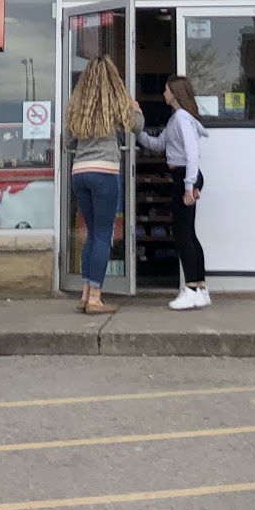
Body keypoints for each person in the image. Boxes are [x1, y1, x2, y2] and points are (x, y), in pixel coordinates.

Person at [64, 50, 144, 315]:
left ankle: (85, 293)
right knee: (102, 234)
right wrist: (135, 108)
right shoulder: (116, 103)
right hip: (104, 173)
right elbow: (137, 126)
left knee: (91, 234)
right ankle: (96, 298)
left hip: (80, 173)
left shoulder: (77, 105)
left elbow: (67, 141)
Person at [138, 75, 210, 309]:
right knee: (189, 232)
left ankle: (191, 289)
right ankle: (200, 289)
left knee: (182, 233)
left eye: (167, 90)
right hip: (186, 176)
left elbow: (192, 154)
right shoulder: (177, 119)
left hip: (185, 176)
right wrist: (137, 132)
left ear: (175, 93)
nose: (164, 93)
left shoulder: (181, 118)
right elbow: (159, 144)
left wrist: (189, 186)